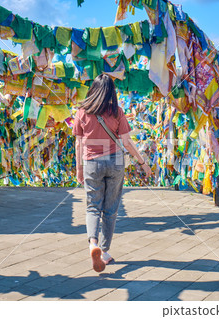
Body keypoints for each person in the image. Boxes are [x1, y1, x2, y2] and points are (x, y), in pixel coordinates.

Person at [73, 74, 151, 273]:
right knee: (110, 209)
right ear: (111, 92)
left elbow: (79, 143)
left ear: (93, 89)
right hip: (115, 162)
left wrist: (79, 169)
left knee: (92, 207)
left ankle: (93, 244)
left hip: (91, 162)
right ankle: (105, 252)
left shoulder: (82, 112)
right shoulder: (117, 112)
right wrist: (143, 163)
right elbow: (126, 143)